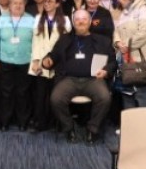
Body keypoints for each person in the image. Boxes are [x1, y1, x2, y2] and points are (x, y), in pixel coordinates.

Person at [46, 9, 115, 144]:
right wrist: (47, 60)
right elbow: (53, 56)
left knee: (105, 97)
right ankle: (69, 127)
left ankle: (92, 129)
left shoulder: (103, 41)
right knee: (56, 98)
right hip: (69, 79)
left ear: (90, 22)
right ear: (73, 22)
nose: (81, 22)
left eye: (84, 19)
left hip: (93, 80)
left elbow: (113, 62)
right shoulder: (64, 39)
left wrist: (106, 71)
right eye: (77, 19)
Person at [29, 0, 71, 132]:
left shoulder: (65, 20)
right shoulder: (38, 18)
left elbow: (66, 43)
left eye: (50, 1)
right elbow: (35, 42)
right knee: (40, 95)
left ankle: (55, 123)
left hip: (58, 62)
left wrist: (54, 58)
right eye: (45, 1)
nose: (46, 3)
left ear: (57, 4)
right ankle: (40, 123)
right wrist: (36, 61)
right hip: (41, 61)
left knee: (55, 95)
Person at [0, 0, 35, 131]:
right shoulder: (2, 18)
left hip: (25, 61)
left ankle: (22, 121)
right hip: (5, 60)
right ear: (9, 5)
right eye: (14, 3)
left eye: (21, 3)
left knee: (22, 93)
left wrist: (34, 60)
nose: (18, 5)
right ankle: (5, 121)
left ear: (25, 5)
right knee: (6, 92)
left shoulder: (31, 19)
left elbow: (35, 42)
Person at [114, 0, 146, 109]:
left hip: (140, 62)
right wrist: (117, 42)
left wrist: (126, 45)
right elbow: (116, 31)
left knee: (142, 97)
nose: (118, 0)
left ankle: (144, 123)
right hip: (125, 62)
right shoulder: (124, 12)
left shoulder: (144, 10)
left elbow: (144, 34)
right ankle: (129, 122)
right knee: (127, 97)